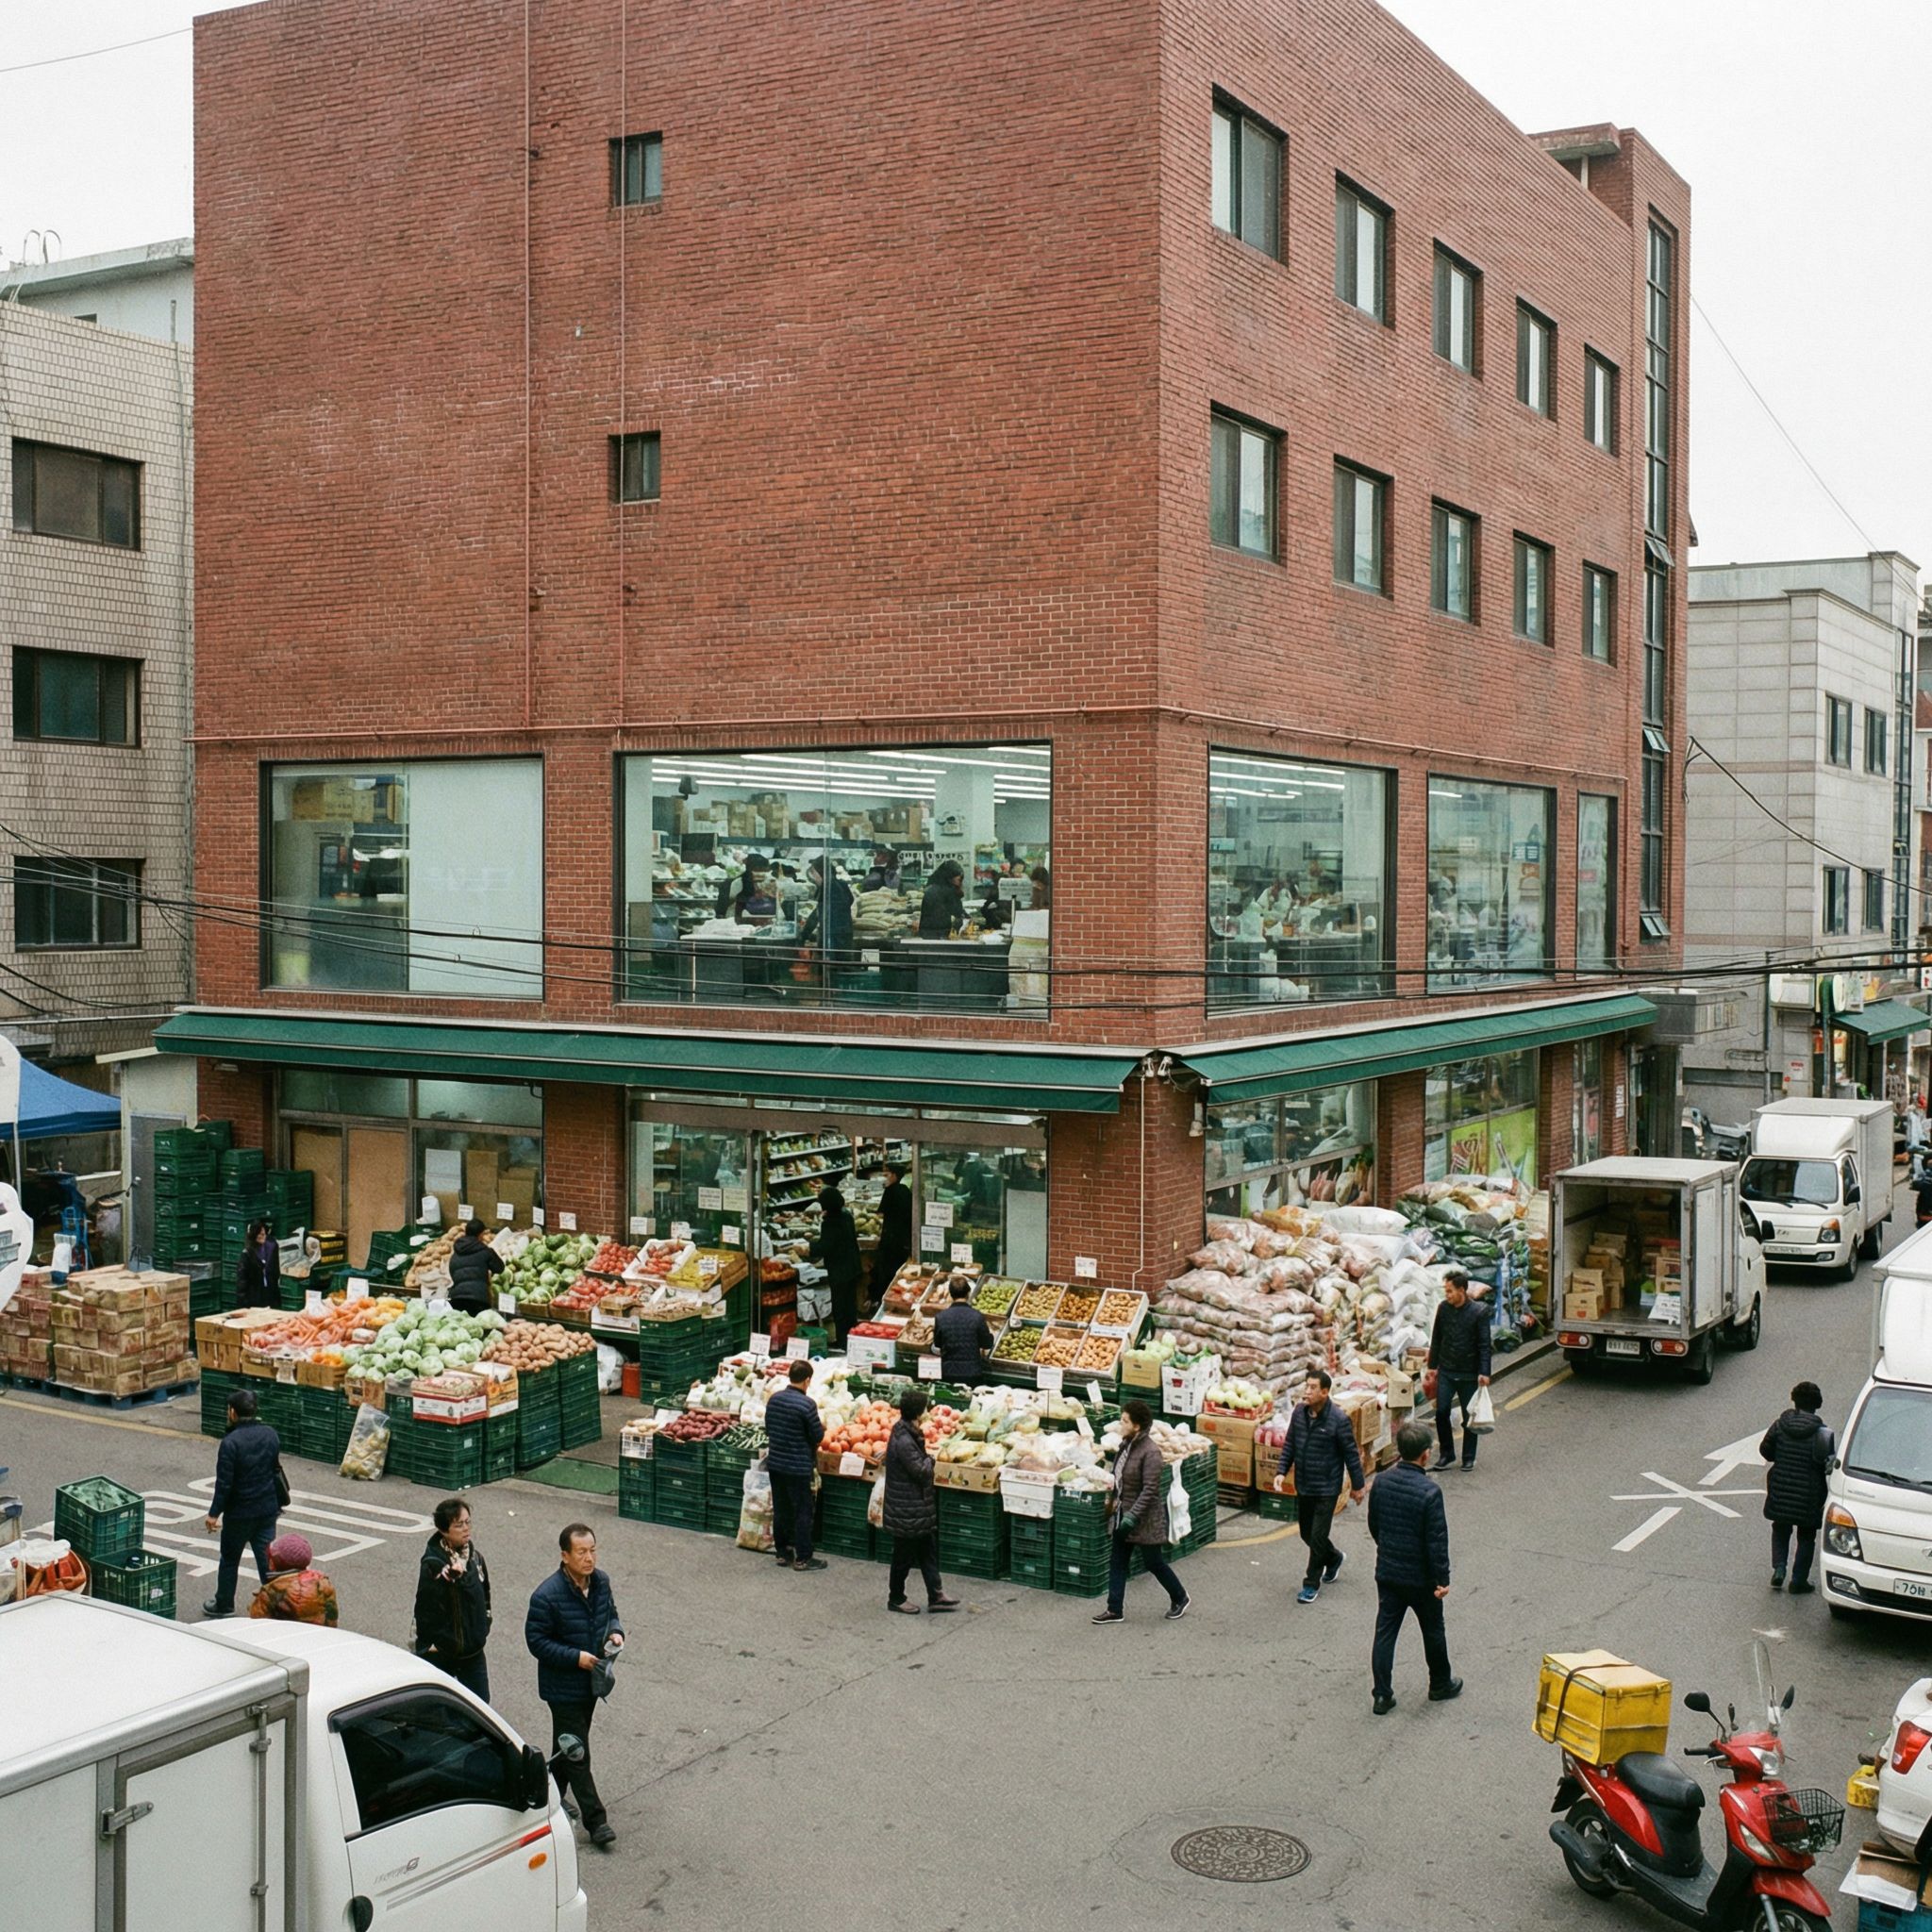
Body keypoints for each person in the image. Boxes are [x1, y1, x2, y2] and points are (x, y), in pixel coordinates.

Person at [525, 1524, 625, 1849]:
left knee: (567, 1746)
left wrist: (615, 1632)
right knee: (578, 1751)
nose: (589, 1557)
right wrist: (574, 1657)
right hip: (562, 1686)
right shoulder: (546, 1596)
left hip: (591, 1683)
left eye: (592, 1550)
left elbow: (611, 1614)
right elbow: (537, 1642)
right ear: (565, 1556)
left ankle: (544, 1793)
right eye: (581, 1552)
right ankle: (597, 1822)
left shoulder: (601, 1582)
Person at [1366, 1421, 1458, 1713]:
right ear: (1425, 1455)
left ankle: (1382, 1694)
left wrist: (1388, 1548)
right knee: (1433, 1630)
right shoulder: (1429, 1492)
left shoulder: (1381, 1481)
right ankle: (1440, 1683)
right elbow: (1436, 1541)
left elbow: (1374, 1524)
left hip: (1389, 1571)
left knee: (1385, 1632)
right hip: (1420, 1579)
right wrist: (1441, 1579)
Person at [1273, 1368, 1367, 1605]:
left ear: (1325, 1392)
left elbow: (1351, 1455)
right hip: (1304, 1484)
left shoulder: (1339, 1420)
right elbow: (1290, 1445)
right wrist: (1281, 1472)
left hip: (1327, 1487)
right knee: (1306, 1533)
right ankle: (1334, 1558)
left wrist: (1358, 1486)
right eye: (1306, 1386)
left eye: (1313, 1388)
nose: (1307, 1391)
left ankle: (1310, 1584)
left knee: (1317, 1536)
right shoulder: (1299, 1413)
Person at [1091, 1398, 1189, 1624]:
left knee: (1153, 1562)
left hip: (1144, 1519)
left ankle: (1180, 1597)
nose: (1120, 1423)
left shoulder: (1151, 1452)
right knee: (1118, 1561)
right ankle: (1114, 1609)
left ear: (1137, 1426)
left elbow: (1150, 1490)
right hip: (1122, 1515)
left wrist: (1132, 1516)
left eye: (1124, 1421)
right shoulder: (1126, 1445)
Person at [202, 1386, 283, 1620]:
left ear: (233, 1412)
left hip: (239, 1514)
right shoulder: (270, 1434)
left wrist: (214, 1513)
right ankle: (277, 1606)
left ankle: (224, 1604)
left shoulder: (231, 1443)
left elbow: (224, 1484)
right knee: (267, 1561)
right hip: (267, 1509)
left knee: (229, 1560)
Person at [881, 1387, 960, 1615]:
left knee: (928, 1551)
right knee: (902, 1556)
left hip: (917, 1506)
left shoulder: (907, 1431)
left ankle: (936, 1595)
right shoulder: (904, 1439)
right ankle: (896, 1598)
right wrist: (931, 1460)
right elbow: (921, 1471)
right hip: (907, 1508)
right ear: (918, 1411)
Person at [414, 1496, 493, 1698]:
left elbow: (485, 1596)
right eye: (459, 1525)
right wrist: (447, 1579)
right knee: (440, 1708)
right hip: (443, 1652)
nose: (466, 1528)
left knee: (481, 1705)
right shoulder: (433, 1564)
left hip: (473, 1652)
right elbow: (425, 1608)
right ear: (444, 1530)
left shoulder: (475, 1558)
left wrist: (483, 1625)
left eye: (468, 1522)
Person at [1760, 1381, 1834, 1594]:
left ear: (1794, 1400)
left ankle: (1779, 1569)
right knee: (1806, 1536)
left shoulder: (1780, 1425)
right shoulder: (1822, 1433)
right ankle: (1799, 1580)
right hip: (1809, 1494)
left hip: (1781, 1487)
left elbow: (1765, 1451)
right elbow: (1828, 1465)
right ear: (1817, 1405)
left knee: (1781, 1529)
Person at [1425, 1268, 1492, 1472]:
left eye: (1450, 1291)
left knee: (1468, 1416)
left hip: (1469, 1373)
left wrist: (1484, 1372)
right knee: (1442, 1412)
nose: (1447, 1295)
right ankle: (1447, 1454)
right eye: (1446, 1291)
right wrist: (1432, 1367)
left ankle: (1469, 1456)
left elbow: (1484, 1344)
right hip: (1446, 1370)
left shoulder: (1479, 1312)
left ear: (1462, 1290)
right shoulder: (1443, 1308)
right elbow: (1436, 1339)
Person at [763, 1358, 826, 1572]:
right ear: (807, 1380)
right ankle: (803, 1558)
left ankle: (782, 1552)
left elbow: (768, 1429)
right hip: (798, 1466)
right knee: (802, 1511)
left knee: (781, 1508)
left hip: (776, 1463)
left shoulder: (774, 1400)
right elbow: (817, 1435)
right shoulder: (807, 1405)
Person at [248, 1533, 339, 1626]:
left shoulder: (270, 1593)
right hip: (316, 1637)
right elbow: (331, 1620)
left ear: (272, 1563)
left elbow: (257, 1624)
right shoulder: (324, 1585)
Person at [810, 1185, 863, 1341]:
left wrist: (809, 1246)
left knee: (840, 1309)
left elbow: (825, 1247)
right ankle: (853, 1337)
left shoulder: (830, 1223)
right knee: (850, 1307)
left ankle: (843, 1341)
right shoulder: (846, 1216)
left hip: (839, 1271)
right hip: (852, 1267)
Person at [933, 1274, 993, 1385]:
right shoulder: (977, 1316)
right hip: (972, 1372)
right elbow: (987, 1344)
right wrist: (991, 1336)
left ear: (951, 1294)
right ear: (968, 1293)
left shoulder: (941, 1317)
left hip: (948, 1372)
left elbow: (937, 1343)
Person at [871, 1159, 913, 1295]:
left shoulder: (889, 1192)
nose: (884, 1178)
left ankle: (882, 1295)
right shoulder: (906, 1191)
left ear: (894, 1175)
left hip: (890, 1239)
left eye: (886, 1175)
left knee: (886, 1271)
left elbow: (880, 1214)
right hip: (904, 1239)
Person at [800, 856, 854, 961]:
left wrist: (804, 934)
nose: (814, 878)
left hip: (833, 936)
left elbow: (819, 913)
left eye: (814, 874)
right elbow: (850, 901)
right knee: (843, 964)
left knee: (832, 967)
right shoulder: (841, 884)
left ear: (821, 873)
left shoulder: (828, 887)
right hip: (845, 933)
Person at [447, 1218, 505, 1316]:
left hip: (457, 1299)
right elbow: (500, 1268)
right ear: (480, 1234)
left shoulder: (455, 1254)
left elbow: (453, 1273)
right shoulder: (485, 1251)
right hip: (478, 1300)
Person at [236, 1219, 279, 1310]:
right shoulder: (247, 1254)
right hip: (254, 1299)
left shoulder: (272, 1248)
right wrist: (243, 1303)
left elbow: (275, 1272)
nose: (262, 1236)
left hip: (270, 1295)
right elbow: (242, 1280)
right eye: (259, 1233)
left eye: (264, 1233)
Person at [917, 859, 966, 939]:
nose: (960, 880)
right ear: (949, 876)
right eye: (958, 878)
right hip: (939, 935)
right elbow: (955, 913)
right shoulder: (946, 891)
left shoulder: (934, 888)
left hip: (928, 934)